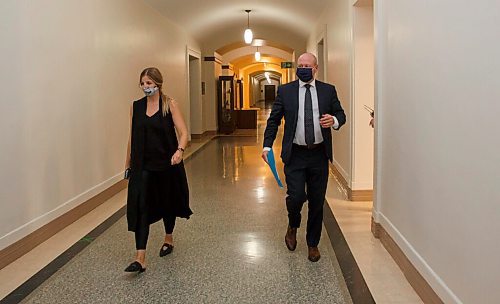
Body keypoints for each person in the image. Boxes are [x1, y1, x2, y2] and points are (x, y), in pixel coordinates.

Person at [262, 53, 346, 262]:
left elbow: (341, 114)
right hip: (296, 154)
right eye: (300, 65)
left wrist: (334, 120)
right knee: (296, 196)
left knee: (317, 201)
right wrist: (266, 146)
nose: (303, 68)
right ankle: (293, 225)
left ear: (315, 68)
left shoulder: (328, 90)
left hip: (318, 154)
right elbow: (274, 121)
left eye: (307, 65)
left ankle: (312, 244)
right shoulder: (286, 91)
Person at [124, 67, 192, 273]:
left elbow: (183, 132)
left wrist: (180, 150)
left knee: (167, 203)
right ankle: (140, 257)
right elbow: (132, 137)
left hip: (166, 164)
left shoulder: (169, 105)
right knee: (141, 205)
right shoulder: (135, 107)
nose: (146, 87)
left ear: (158, 84)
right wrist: (127, 163)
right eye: (143, 83)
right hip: (142, 165)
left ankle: (168, 238)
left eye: (149, 83)